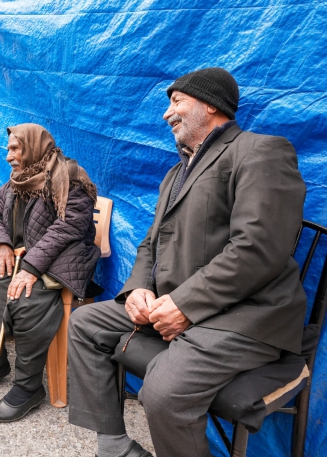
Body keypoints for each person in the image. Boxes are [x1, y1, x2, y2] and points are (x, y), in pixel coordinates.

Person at [68, 67, 307, 457]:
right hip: (176, 303)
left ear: (210, 104)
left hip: (245, 316)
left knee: (162, 392)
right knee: (84, 322)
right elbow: (150, 243)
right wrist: (139, 289)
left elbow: (258, 248)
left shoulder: (261, 150)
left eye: (176, 101)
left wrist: (184, 304)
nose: (167, 113)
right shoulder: (176, 173)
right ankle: (113, 446)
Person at [0, 123, 101, 422]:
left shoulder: (69, 178)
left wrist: (30, 268)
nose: (8, 156)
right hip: (23, 259)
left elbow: (68, 228)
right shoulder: (15, 182)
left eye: (15, 148)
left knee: (26, 301)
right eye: (8, 149)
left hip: (61, 262)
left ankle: (29, 386)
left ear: (34, 146)